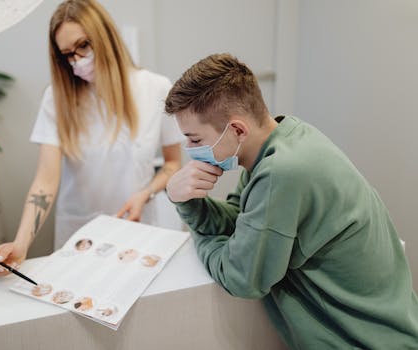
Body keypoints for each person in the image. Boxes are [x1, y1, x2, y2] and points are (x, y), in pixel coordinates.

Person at [165, 53, 418, 349]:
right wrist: (187, 200)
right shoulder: (284, 138)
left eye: (195, 140)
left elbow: (240, 277)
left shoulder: (281, 172)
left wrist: (198, 234)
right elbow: (237, 218)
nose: (190, 150)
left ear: (236, 130)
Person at [0, 0, 181, 275]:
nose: (77, 60)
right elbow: (45, 180)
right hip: (79, 233)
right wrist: (21, 242)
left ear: (106, 37)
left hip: (136, 226)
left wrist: (146, 193)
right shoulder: (57, 99)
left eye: (83, 46)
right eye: (67, 54)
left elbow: (173, 164)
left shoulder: (155, 88)